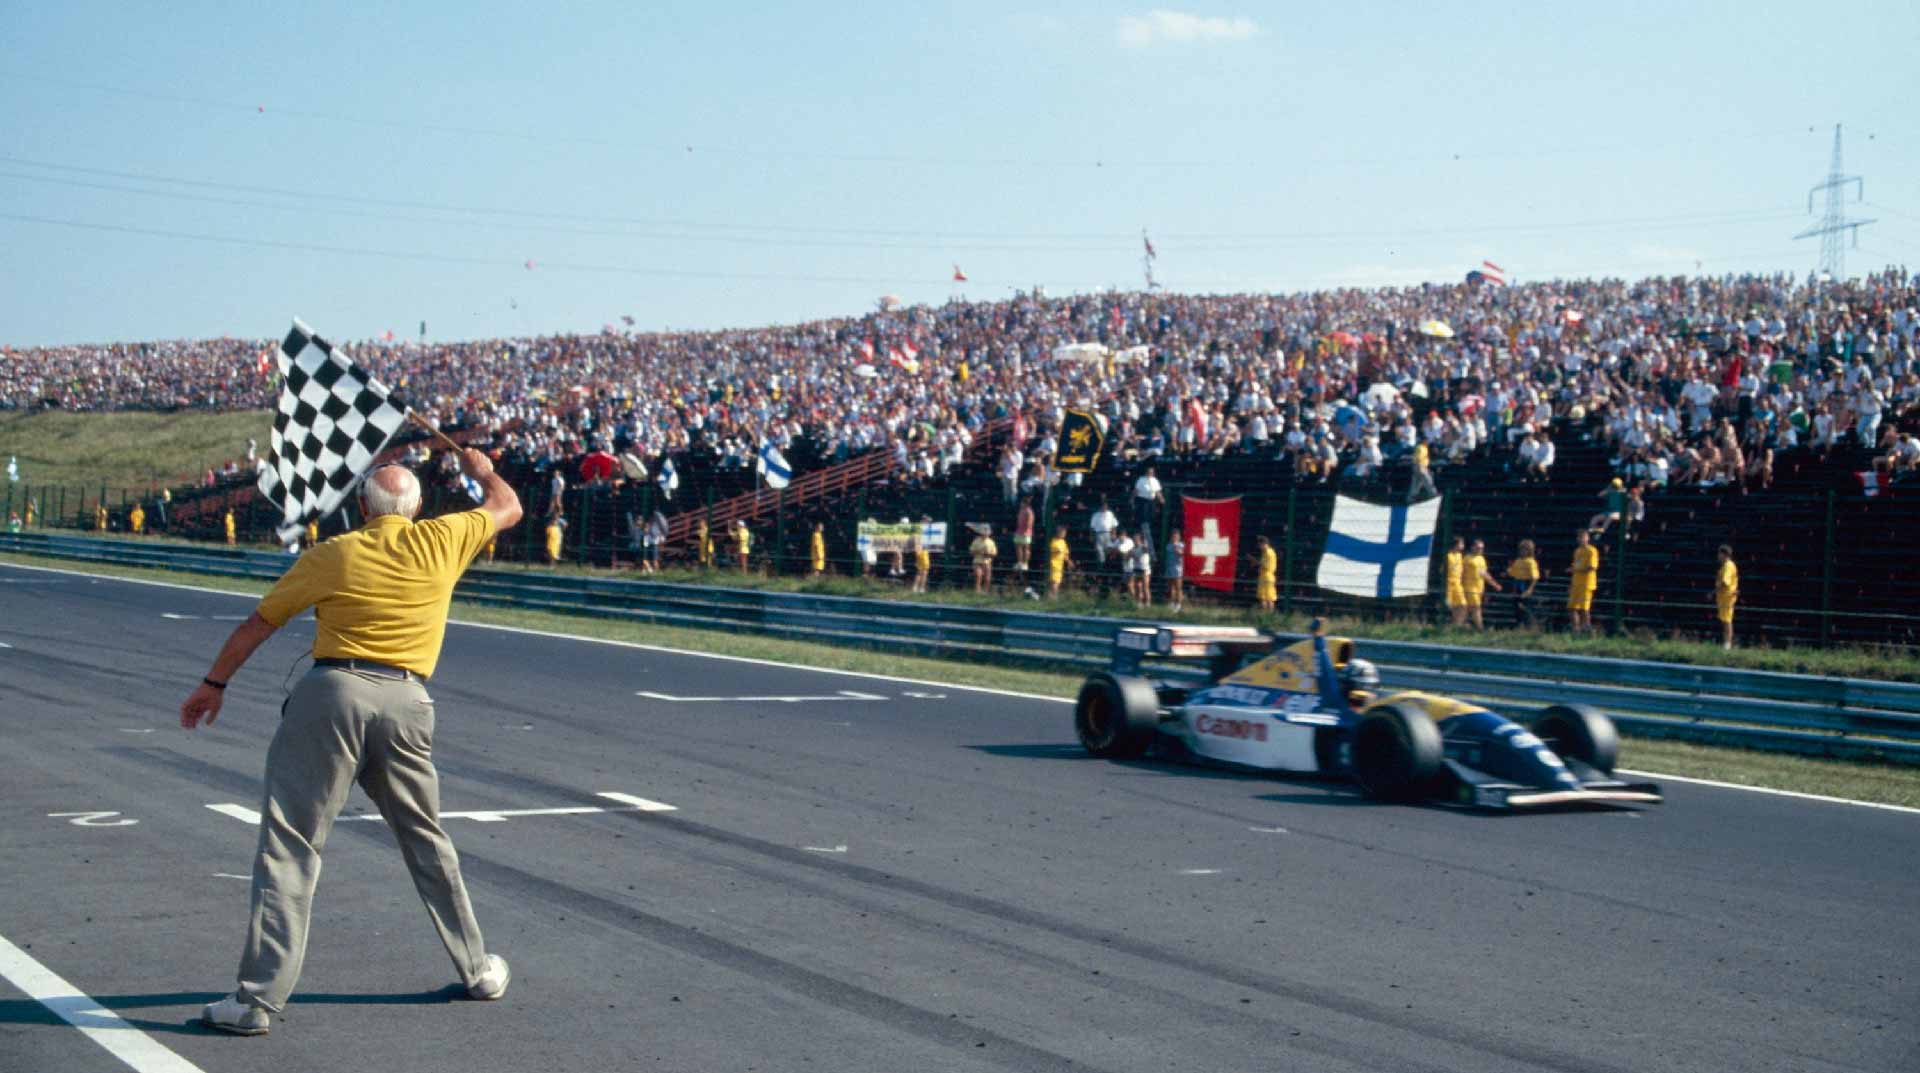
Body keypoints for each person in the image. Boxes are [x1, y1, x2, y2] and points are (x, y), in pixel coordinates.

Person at [179, 451, 521, 1036]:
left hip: (334, 693)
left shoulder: (333, 552)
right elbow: (507, 506)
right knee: (426, 837)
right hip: (409, 700)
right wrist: (481, 467)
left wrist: (214, 683)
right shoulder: (444, 536)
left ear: (363, 508)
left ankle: (257, 1001)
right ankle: (478, 969)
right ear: (416, 509)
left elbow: (258, 625)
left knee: (291, 841)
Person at [1567, 528, 1600, 634]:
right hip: (1576, 583)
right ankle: (1576, 630)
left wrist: (1577, 569)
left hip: (1586, 584)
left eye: (1583, 537)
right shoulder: (1577, 551)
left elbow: (1592, 567)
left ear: (1587, 538)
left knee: (1584, 609)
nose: (1580, 539)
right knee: (1571, 607)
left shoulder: (1592, 551)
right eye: (1579, 537)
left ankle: (1587, 630)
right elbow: (1576, 566)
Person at [1465, 538, 1501, 629]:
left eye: (1482, 548)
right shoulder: (1467, 559)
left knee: (1469, 609)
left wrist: (1494, 584)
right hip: (1470, 587)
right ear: (1472, 547)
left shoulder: (1481, 559)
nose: (1480, 550)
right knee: (1476, 608)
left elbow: (1484, 573)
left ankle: (1459, 626)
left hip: (1479, 588)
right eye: (1478, 548)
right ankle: (1480, 629)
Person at [1506, 539, 1542, 628]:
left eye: (1525, 549)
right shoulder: (1518, 560)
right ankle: (1519, 625)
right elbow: (1514, 574)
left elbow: (1535, 577)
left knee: (1525, 607)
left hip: (1525, 585)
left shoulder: (1531, 562)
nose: (1522, 551)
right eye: (1521, 549)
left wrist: (1530, 589)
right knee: (1517, 607)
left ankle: (1529, 626)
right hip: (1517, 585)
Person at [1714, 544, 1739, 650]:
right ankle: (1726, 643)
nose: (1718, 556)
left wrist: (1714, 591)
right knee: (1725, 620)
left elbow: (1725, 582)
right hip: (1724, 598)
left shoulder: (1728, 566)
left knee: (1727, 621)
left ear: (1724, 554)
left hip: (1727, 597)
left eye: (1719, 554)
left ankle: (1727, 644)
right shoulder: (1727, 565)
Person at [1443, 536, 1467, 627]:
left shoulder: (1460, 556)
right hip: (1449, 583)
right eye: (1461, 543)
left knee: (1463, 605)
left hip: (1458, 584)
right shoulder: (1448, 556)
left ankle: (1457, 625)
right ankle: (1453, 625)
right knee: (1450, 606)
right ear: (1456, 545)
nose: (1463, 546)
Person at [1252, 535, 1277, 613]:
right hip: (1267, 576)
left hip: (1266, 576)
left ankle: (1265, 616)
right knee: (1268, 597)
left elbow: (1266, 565)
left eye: (1260, 545)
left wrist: (1255, 561)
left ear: (1264, 543)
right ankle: (1268, 616)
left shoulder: (1268, 553)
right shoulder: (1270, 552)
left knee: (1265, 598)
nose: (1259, 547)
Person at [969, 524, 997, 594]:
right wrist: (978, 551)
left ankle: (985, 592)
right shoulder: (976, 541)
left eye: (986, 532)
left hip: (987, 562)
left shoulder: (991, 542)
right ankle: (977, 591)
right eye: (983, 532)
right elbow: (971, 552)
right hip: (977, 561)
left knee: (987, 578)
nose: (985, 534)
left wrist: (988, 554)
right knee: (978, 575)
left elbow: (994, 554)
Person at [1046, 525, 1072, 599]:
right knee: (1055, 582)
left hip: (1060, 566)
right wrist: (1057, 551)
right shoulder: (1054, 541)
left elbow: (1065, 554)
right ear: (1058, 533)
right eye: (1063, 532)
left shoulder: (1063, 542)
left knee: (1056, 581)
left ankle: (1050, 596)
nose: (1064, 533)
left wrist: (1069, 561)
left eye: (1065, 532)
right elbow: (1052, 549)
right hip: (1054, 565)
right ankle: (1054, 597)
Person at [1164, 528, 1185, 613]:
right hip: (1170, 568)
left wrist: (1177, 548)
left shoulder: (1181, 545)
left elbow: (1182, 554)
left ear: (1179, 537)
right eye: (1173, 536)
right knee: (1170, 587)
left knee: (1178, 588)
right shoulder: (1168, 545)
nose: (1174, 537)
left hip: (1178, 569)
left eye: (1176, 536)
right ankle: (1172, 603)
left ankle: (1178, 604)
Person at [1012, 497, 1035, 576]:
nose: (1020, 504)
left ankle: (1025, 563)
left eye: (1022, 503)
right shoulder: (1021, 510)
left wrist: (1026, 529)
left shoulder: (1029, 511)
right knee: (1018, 546)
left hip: (1026, 532)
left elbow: (1030, 522)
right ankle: (1020, 562)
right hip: (1019, 531)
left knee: (1026, 547)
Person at [911, 519, 932, 594]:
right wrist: (918, 549)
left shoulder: (919, 530)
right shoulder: (921, 530)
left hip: (921, 551)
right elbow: (916, 540)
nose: (929, 523)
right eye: (927, 522)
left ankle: (916, 587)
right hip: (923, 551)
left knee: (920, 571)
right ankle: (921, 588)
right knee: (924, 571)